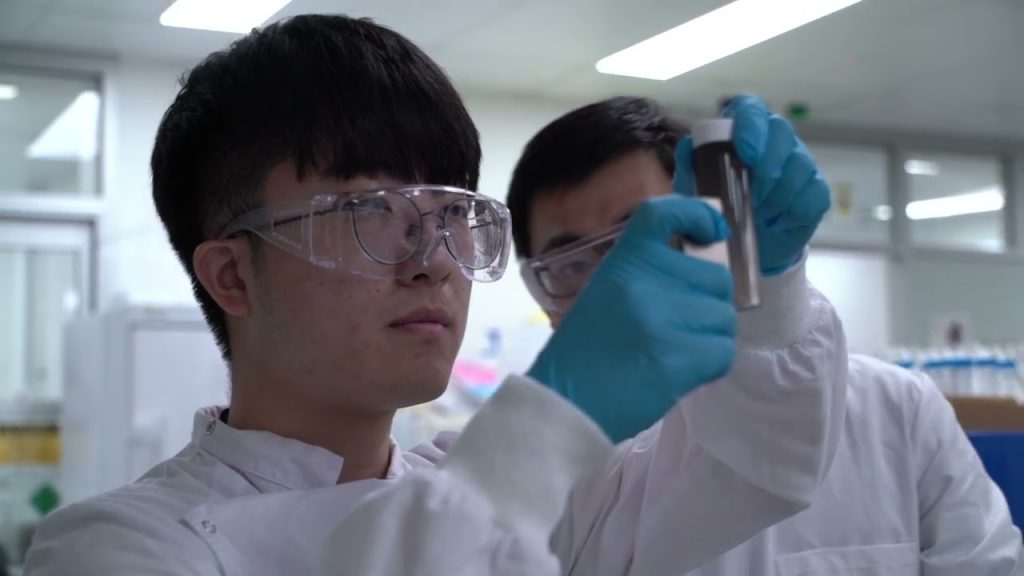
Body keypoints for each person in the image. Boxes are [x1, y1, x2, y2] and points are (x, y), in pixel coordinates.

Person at [24, 15, 847, 576]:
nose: (434, 263)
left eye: (452, 214)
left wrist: (768, 287)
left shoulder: (494, 483)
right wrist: (553, 419)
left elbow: (751, 471)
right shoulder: (118, 546)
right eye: (368, 214)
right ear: (233, 276)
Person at [508, 94, 1024, 575]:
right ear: (545, 300)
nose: (616, 284)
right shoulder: (537, 473)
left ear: (714, 232)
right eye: (572, 264)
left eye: (645, 234)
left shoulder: (897, 411)